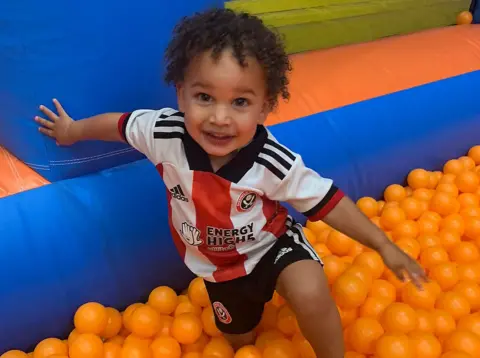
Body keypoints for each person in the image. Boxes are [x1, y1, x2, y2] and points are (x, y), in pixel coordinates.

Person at [34, 8, 427, 357]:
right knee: (240, 339)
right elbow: (117, 125)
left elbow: (326, 199)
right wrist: (72, 131)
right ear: (181, 95)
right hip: (215, 266)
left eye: (240, 102)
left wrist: (382, 244)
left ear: (265, 106)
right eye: (204, 97)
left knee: (310, 292)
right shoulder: (161, 132)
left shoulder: (270, 160)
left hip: (271, 244)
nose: (220, 118)